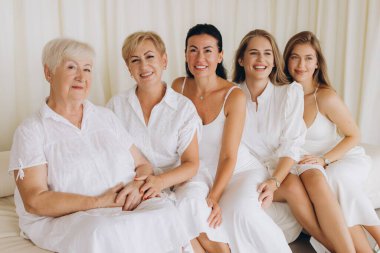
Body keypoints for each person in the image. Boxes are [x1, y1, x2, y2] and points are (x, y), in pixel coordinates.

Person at [8, 38, 190, 253]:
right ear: (49, 73)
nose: (81, 77)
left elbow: (142, 164)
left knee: (167, 212)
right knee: (103, 230)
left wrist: (135, 185)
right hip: (71, 217)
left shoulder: (105, 117)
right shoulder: (31, 131)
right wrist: (99, 201)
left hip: (123, 204)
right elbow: (35, 201)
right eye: (71, 67)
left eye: (87, 69)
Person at [232, 29, 355, 251]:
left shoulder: (289, 93)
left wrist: (275, 180)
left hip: (282, 168)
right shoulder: (231, 96)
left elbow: (291, 145)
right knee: (293, 185)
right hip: (249, 170)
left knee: (300, 182)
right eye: (254, 53)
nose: (261, 60)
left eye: (268, 53)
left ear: (274, 60)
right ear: (241, 59)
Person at [172, 24, 291, 253]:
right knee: (187, 206)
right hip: (197, 171)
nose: (200, 57)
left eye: (208, 50)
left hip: (238, 170)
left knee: (240, 212)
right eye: (193, 50)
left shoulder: (233, 96)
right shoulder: (179, 87)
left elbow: (228, 156)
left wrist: (214, 197)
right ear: (186, 55)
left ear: (220, 55)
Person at [107, 31, 229, 253]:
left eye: (150, 57)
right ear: (128, 68)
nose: (144, 66)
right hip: (139, 182)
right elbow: (113, 155)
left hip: (181, 178)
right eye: (135, 60)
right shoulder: (116, 106)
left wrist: (160, 182)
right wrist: (142, 184)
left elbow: (191, 164)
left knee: (190, 206)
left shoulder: (183, 109)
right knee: (166, 219)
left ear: (164, 60)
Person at [284, 30, 380, 252]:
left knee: (335, 179)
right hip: (309, 163)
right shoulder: (284, 96)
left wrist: (324, 159)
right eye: (295, 57)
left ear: (317, 63)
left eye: (308, 58)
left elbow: (354, 135)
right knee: (335, 193)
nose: (301, 64)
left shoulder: (325, 97)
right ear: (287, 60)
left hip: (340, 156)